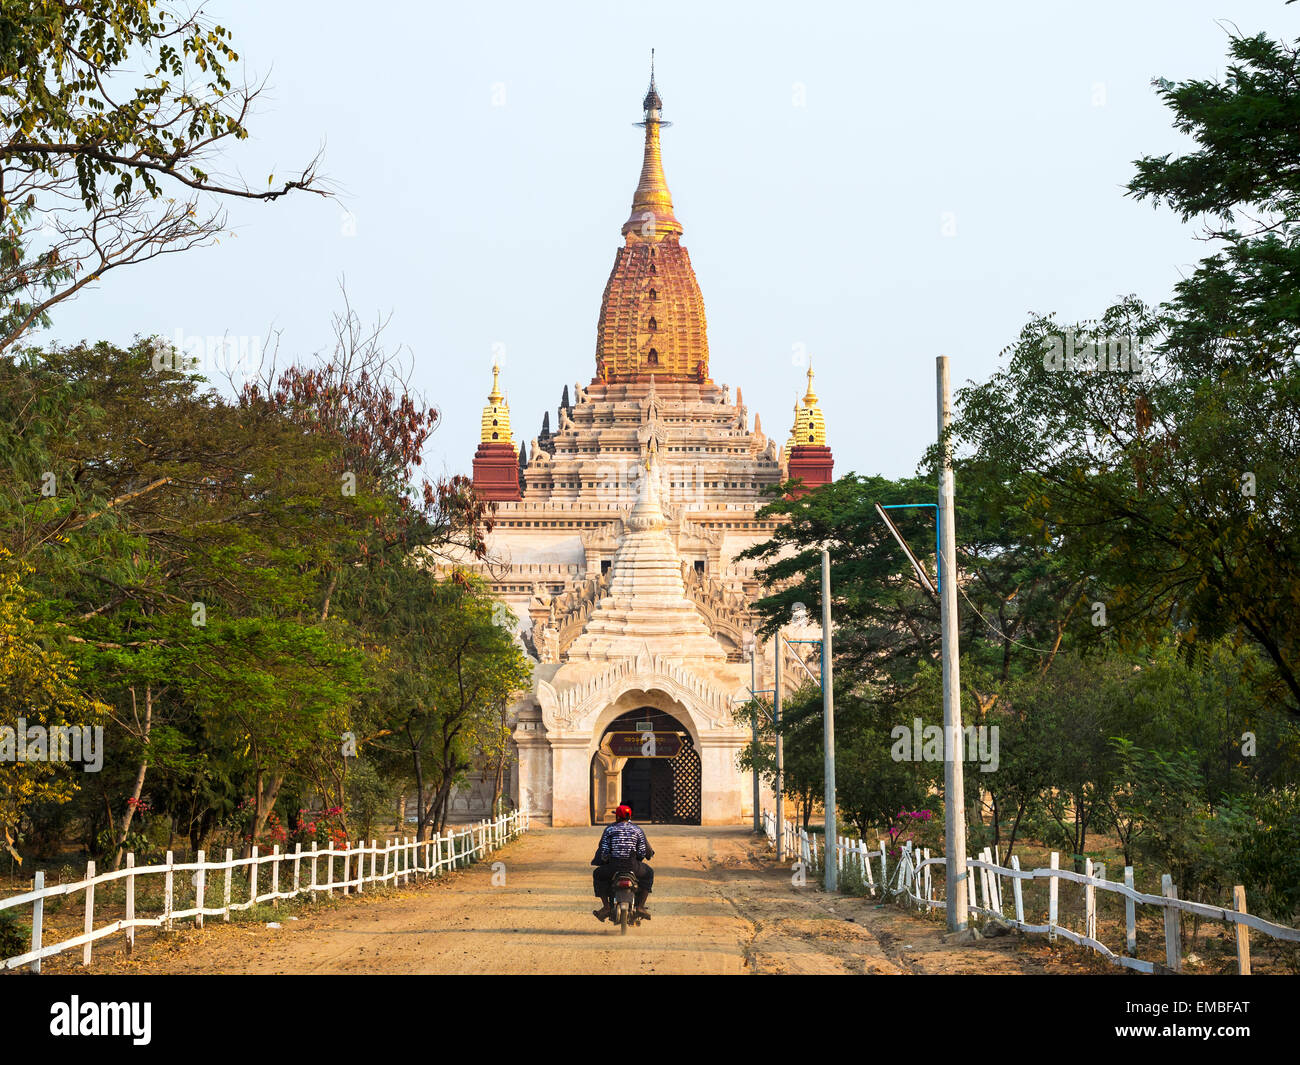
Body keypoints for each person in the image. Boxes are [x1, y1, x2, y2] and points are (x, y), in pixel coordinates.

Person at [591, 804, 655, 921]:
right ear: (630, 816)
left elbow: (604, 851)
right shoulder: (637, 830)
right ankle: (640, 907)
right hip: (633, 866)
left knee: (597, 874)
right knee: (649, 873)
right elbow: (641, 852)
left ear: (617, 817)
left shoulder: (609, 829)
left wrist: (606, 859)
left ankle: (606, 907)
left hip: (613, 866)